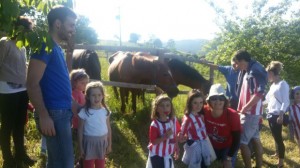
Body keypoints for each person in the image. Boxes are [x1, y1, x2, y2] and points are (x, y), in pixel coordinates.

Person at [27, 5, 77, 168]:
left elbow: (64, 76)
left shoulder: (55, 47)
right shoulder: (44, 46)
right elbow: (32, 83)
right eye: (71, 25)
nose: (73, 30)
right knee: (64, 163)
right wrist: (43, 115)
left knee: (57, 162)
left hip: (61, 111)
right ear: (57, 24)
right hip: (53, 113)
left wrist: (70, 52)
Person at [0, 16, 35, 168]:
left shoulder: (22, 46)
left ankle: (20, 153)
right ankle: (8, 158)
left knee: (20, 123)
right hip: (7, 90)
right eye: (27, 30)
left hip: (22, 89)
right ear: (19, 29)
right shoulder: (4, 43)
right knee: (7, 124)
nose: (28, 34)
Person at [234, 49, 267, 168]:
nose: (237, 66)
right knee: (255, 139)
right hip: (254, 112)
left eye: (237, 63)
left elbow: (259, 94)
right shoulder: (252, 68)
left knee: (242, 143)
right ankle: (259, 165)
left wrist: (245, 108)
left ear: (243, 60)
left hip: (250, 113)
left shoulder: (254, 71)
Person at [203, 84, 241, 168]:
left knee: (228, 165)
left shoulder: (232, 115)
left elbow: (237, 139)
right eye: (214, 98)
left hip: (227, 146)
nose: (217, 101)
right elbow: (190, 114)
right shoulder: (204, 110)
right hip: (210, 145)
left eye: (221, 98)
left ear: (225, 101)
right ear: (209, 100)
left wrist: (229, 157)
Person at [77, 81, 112, 168]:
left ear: (103, 95)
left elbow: (109, 128)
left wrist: (109, 144)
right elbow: (80, 130)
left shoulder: (105, 111)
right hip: (88, 143)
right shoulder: (84, 112)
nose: (97, 98)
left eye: (99, 95)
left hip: (102, 143)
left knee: (100, 165)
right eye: (93, 95)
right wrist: (81, 147)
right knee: (88, 165)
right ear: (88, 96)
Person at [264, 61, 289, 167]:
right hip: (270, 115)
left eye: (267, 73)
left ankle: (281, 162)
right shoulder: (273, 85)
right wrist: (256, 104)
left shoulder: (283, 84)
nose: (267, 76)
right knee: (275, 136)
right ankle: (277, 153)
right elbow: (267, 100)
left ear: (272, 73)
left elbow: (286, 101)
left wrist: (281, 115)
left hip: (278, 115)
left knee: (278, 138)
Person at [179, 89, 212, 167]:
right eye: (195, 103)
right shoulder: (188, 119)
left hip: (203, 144)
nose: (199, 105)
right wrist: (183, 138)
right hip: (195, 147)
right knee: (196, 164)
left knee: (204, 163)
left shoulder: (200, 116)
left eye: (201, 102)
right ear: (190, 103)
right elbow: (182, 133)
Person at [146, 94, 180, 168]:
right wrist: (165, 136)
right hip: (157, 154)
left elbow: (176, 135)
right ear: (157, 108)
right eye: (162, 106)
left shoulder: (173, 121)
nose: (165, 108)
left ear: (171, 107)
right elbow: (153, 142)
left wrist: (176, 146)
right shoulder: (155, 124)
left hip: (167, 153)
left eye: (168, 105)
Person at [288, 86, 300, 156]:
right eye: (297, 93)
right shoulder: (290, 106)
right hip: (297, 130)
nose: (299, 95)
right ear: (293, 95)